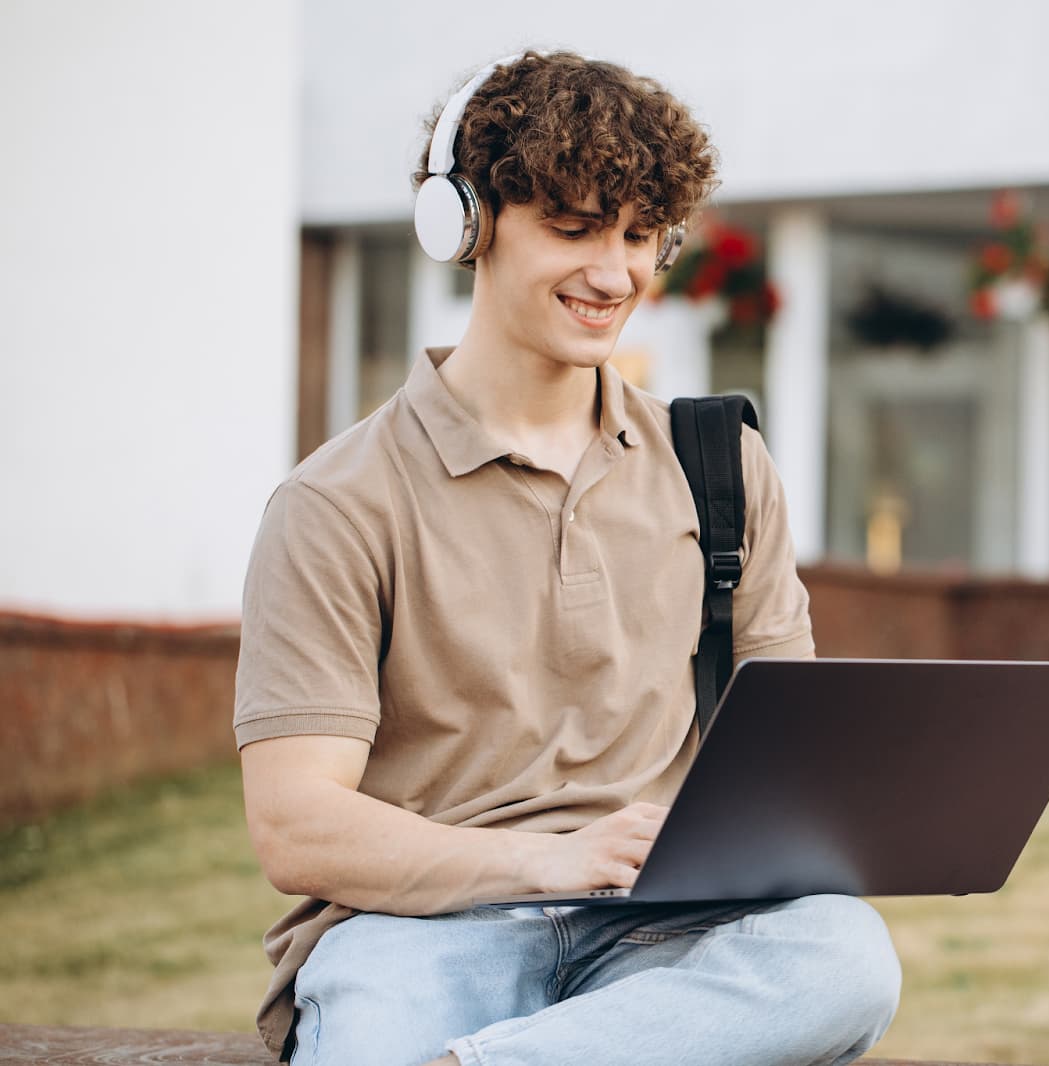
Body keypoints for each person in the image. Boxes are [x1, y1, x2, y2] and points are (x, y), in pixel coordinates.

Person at [233, 50, 901, 1066]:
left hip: (658, 928)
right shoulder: (335, 503)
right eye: (573, 227)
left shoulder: (721, 466)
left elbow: (783, 761)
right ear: (464, 223)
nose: (613, 273)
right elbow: (296, 828)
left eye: (639, 236)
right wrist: (549, 859)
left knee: (842, 957)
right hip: (414, 938)